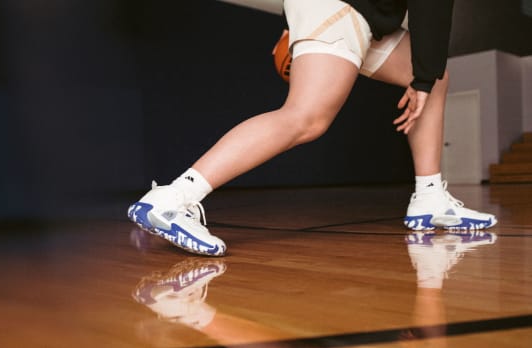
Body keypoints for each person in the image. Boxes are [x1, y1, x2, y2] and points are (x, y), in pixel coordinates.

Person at [127, 0, 497, 257]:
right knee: (306, 117)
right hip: (343, 7)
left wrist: (424, 77)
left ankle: (430, 197)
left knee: (435, 74)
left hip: (360, 15)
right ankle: (172, 200)